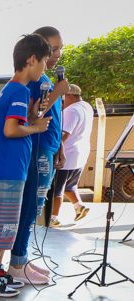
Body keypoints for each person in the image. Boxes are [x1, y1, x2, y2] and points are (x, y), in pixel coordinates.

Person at [0, 35, 52, 297]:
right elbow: (10, 130)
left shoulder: (11, 90)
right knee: (1, 228)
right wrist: (36, 127)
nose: (45, 67)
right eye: (44, 61)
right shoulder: (19, 90)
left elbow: (14, 123)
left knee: (6, 227)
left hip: (9, 169)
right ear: (31, 59)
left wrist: (32, 114)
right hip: (7, 170)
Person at [6, 26, 70, 284]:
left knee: (36, 206)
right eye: (53, 49)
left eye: (60, 49)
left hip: (49, 147)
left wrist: (60, 147)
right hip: (37, 148)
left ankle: (22, 258)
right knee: (30, 206)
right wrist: (57, 93)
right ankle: (17, 261)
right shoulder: (33, 80)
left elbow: (53, 117)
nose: (57, 54)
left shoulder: (45, 79)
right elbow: (33, 115)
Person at [51, 83, 92, 225]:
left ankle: (53, 218)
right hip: (81, 154)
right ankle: (79, 206)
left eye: (63, 98)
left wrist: (55, 151)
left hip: (67, 154)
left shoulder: (72, 110)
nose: (62, 102)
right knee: (70, 185)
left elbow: (64, 135)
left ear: (69, 95)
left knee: (57, 188)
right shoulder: (86, 106)